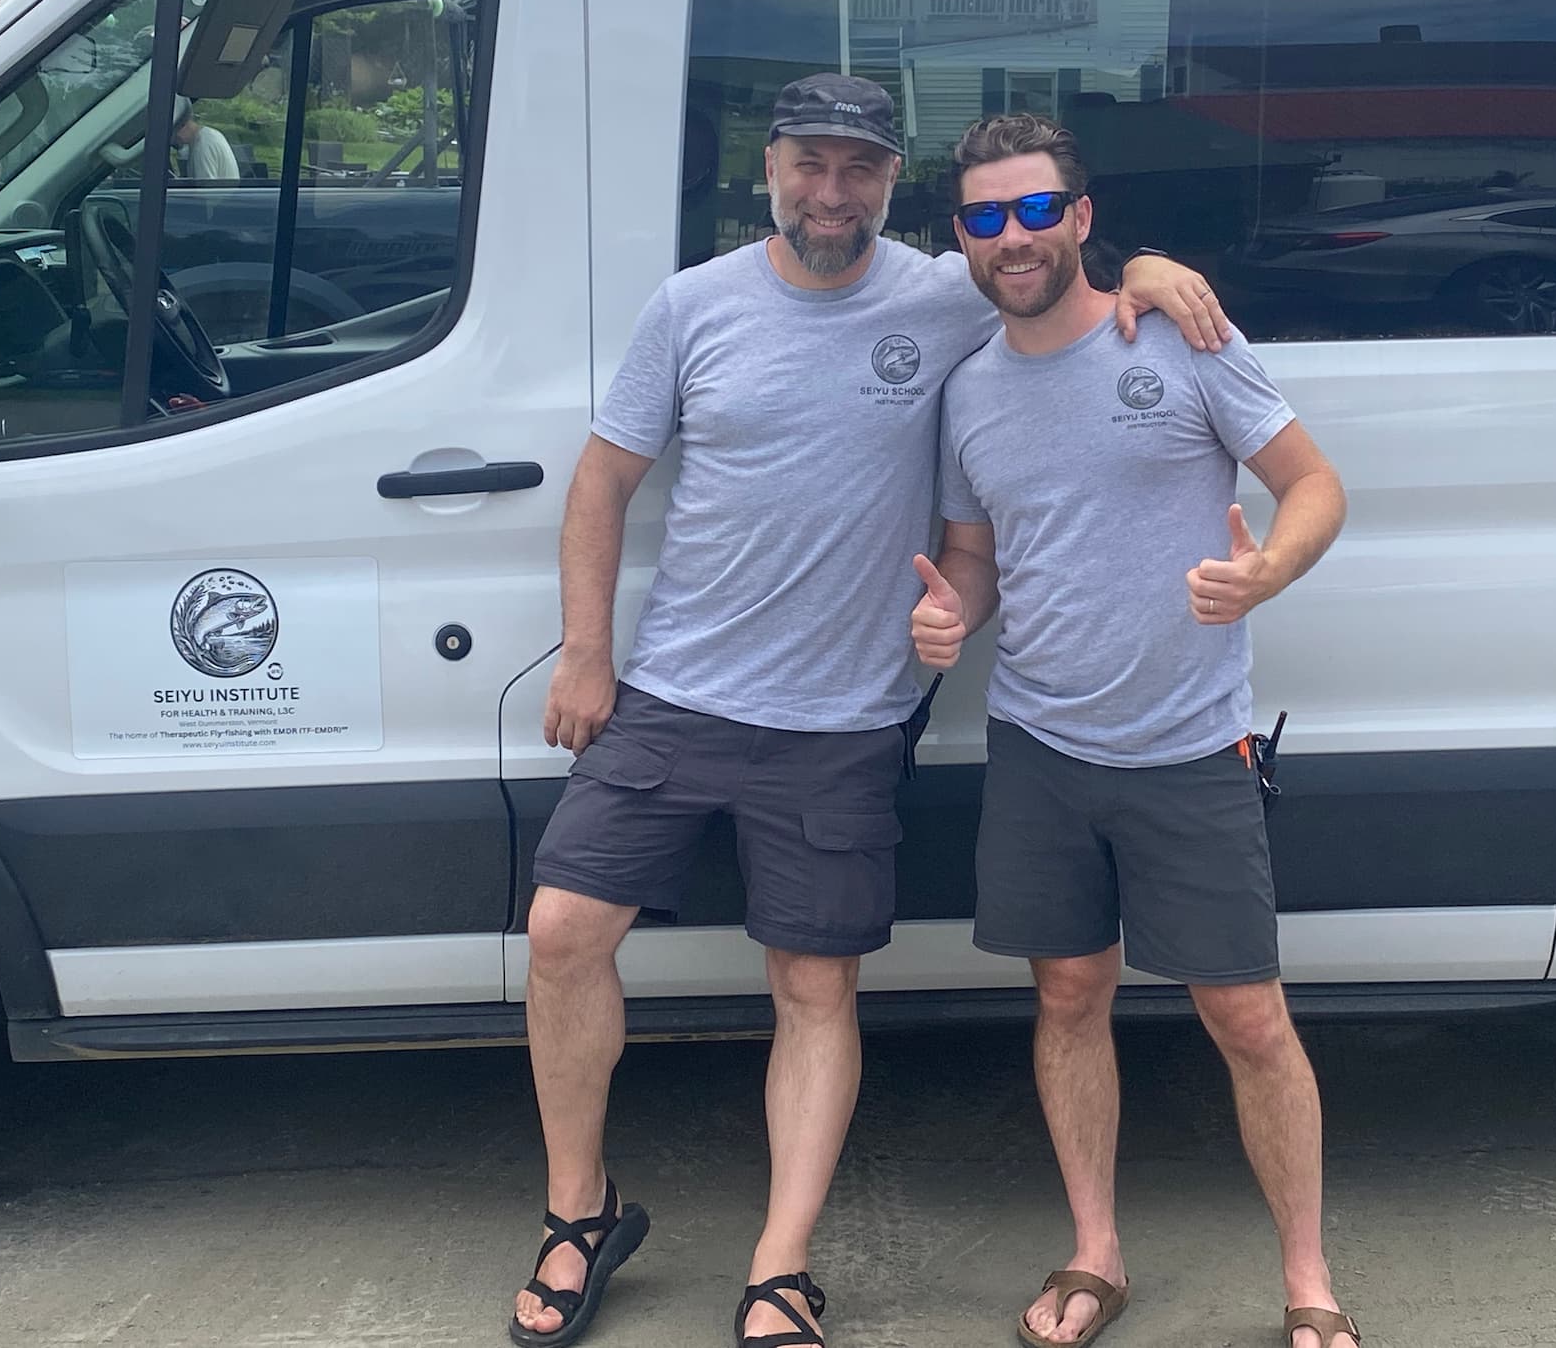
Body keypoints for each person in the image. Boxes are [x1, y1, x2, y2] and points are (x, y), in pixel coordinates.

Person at [510, 73, 1233, 1348]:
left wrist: (1152, 272)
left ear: (893, 186)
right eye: (808, 165)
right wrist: (585, 654)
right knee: (564, 929)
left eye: (859, 171)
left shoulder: (943, 290)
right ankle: (581, 1215)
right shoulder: (692, 306)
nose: (830, 193)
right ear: (769, 168)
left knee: (815, 983)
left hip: (844, 716)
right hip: (675, 691)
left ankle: (778, 1268)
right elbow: (601, 482)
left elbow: (1045, 265)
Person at [909, 113, 1355, 1348]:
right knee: (1066, 998)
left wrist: (1265, 576)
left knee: (1248, 1020)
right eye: (985, 217)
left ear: (1081, 219)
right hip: (1041, 746)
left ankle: (1309, 1283)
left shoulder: (1179, 334)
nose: (1012, 237)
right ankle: (1094, 1251)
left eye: (1034, 210)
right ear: (961, 239)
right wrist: (950, 615)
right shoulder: (966, 395)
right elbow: (974, 557)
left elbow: (1312, 485)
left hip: (1187, 747)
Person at [172, 95, 240, 180]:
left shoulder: (202, 146)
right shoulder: (208, 135)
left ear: (180, 128)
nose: (174, 143)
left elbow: (204, 190)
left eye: (173, 137)